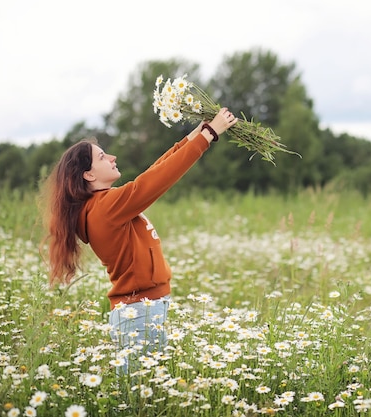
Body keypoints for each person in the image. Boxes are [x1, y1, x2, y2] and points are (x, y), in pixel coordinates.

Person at [41, 108, 238, 369]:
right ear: (89, 175)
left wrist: (196, 134)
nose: (112, 157)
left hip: (145, 310)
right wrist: (209, 135)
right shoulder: (105, 207)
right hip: (139, 313)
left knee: (146, 396)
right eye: (102, 157)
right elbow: (155, 181)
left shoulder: (106, 204)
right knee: (140, 402)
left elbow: (155, 170)